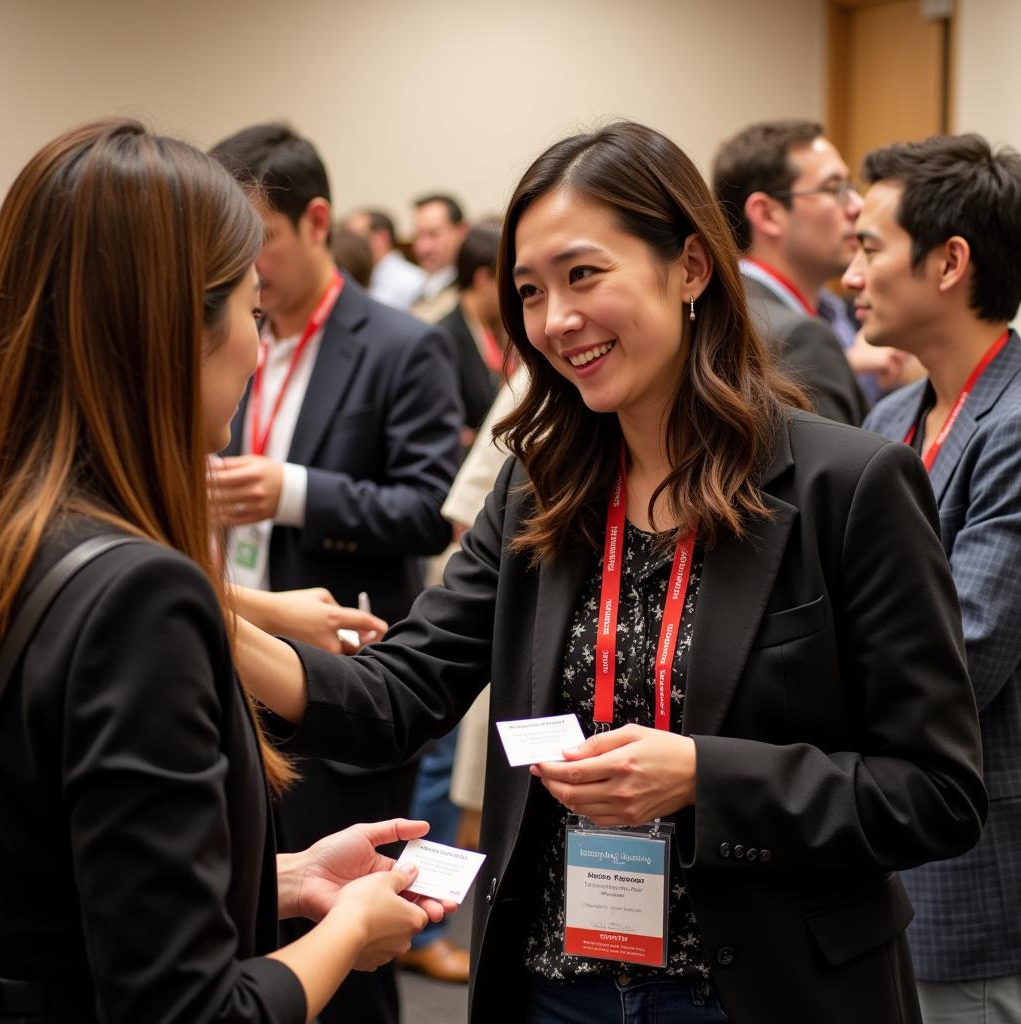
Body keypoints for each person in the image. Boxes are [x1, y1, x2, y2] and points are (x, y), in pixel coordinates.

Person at [236, 121, 986, 1024]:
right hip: (558, 989)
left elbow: (936, 794)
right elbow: (394, 696)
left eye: (584, 275)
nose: (556, 321)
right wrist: (205, 614)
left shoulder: (847, 487)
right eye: (529, 291)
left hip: (762, 990)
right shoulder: (539, 493)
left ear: (692, 268)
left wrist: (707, 774)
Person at [0, 119, 450, 1024]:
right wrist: (348, 929)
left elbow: (66, 870)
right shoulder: (139, 599)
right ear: (173, 331)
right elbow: (187, 1011)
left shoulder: (26, 528)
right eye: (248, 314)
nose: (256, 347)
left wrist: (283, 881)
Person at [208, 122, 462, 1024]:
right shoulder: (222, 327)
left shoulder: (400, 343)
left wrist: (296, 491)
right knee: (246, 911)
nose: (247, 265)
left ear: (316, 222)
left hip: (344, 666)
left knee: (356, 936)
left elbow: (429, 509)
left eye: (259, 238)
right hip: (231, 655)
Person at [847, 133, 1021, 1024]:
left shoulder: (1016, 421)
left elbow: (969, 650)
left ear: (949, 261)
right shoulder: (889, 416)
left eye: (869, 246)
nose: (851, 275)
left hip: (977, 871)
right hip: (878, 863)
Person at [713, 119, 911, 418]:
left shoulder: (841, 314)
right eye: (835, 189)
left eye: (852, 188)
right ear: (767, 214)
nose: (857, 205)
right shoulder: (780, 335)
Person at [440, 222, 504, 447]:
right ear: (483, 278)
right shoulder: (444, 338)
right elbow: (451, 431)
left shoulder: (490, 327)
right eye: (505, 279)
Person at [344, 208, 425, 310]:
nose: (350, 245)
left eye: (356, 237)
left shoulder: (411, 281)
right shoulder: (358, 277)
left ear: (381, 238)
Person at [411, 193, 467, 322]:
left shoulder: (470, 292)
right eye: (418, 235)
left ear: (461, 231)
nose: (423, 247)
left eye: (433, 234)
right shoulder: (416, 284)